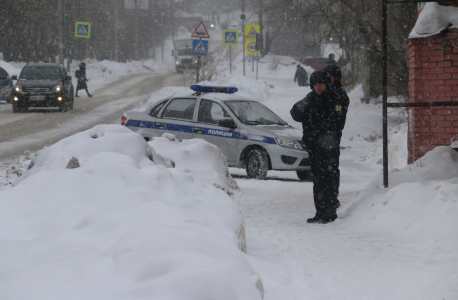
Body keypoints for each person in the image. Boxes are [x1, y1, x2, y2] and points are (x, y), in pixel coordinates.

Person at [290, 70, 349, 224]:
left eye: (321, 84)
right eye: (315, 84)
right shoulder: (310, 98)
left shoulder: (334, 98)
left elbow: (336, 122)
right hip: (313, 145)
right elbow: (295, 112)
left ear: (326, 84)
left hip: (328, 146)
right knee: (317, 179)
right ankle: (320, 212)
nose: (318, 87)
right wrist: (305, 110)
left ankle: (329, 213)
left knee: (327, 178)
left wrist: (320, 131)